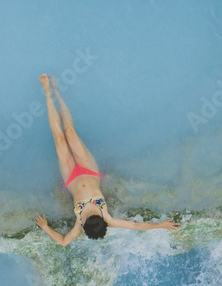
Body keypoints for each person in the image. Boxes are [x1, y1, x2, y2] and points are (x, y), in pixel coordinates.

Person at [35, 74, 180, 245]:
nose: (90, 213)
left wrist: (45, 227)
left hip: (70, 177)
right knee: (69, 132)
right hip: (89, 170)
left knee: (58, 138)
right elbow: (135, 226)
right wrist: (160, 225)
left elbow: (64, 241)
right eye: (94, 215)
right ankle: (58, 93)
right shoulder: (108, 218)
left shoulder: (80, 225)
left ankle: (46, 92)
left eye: (88, 216)